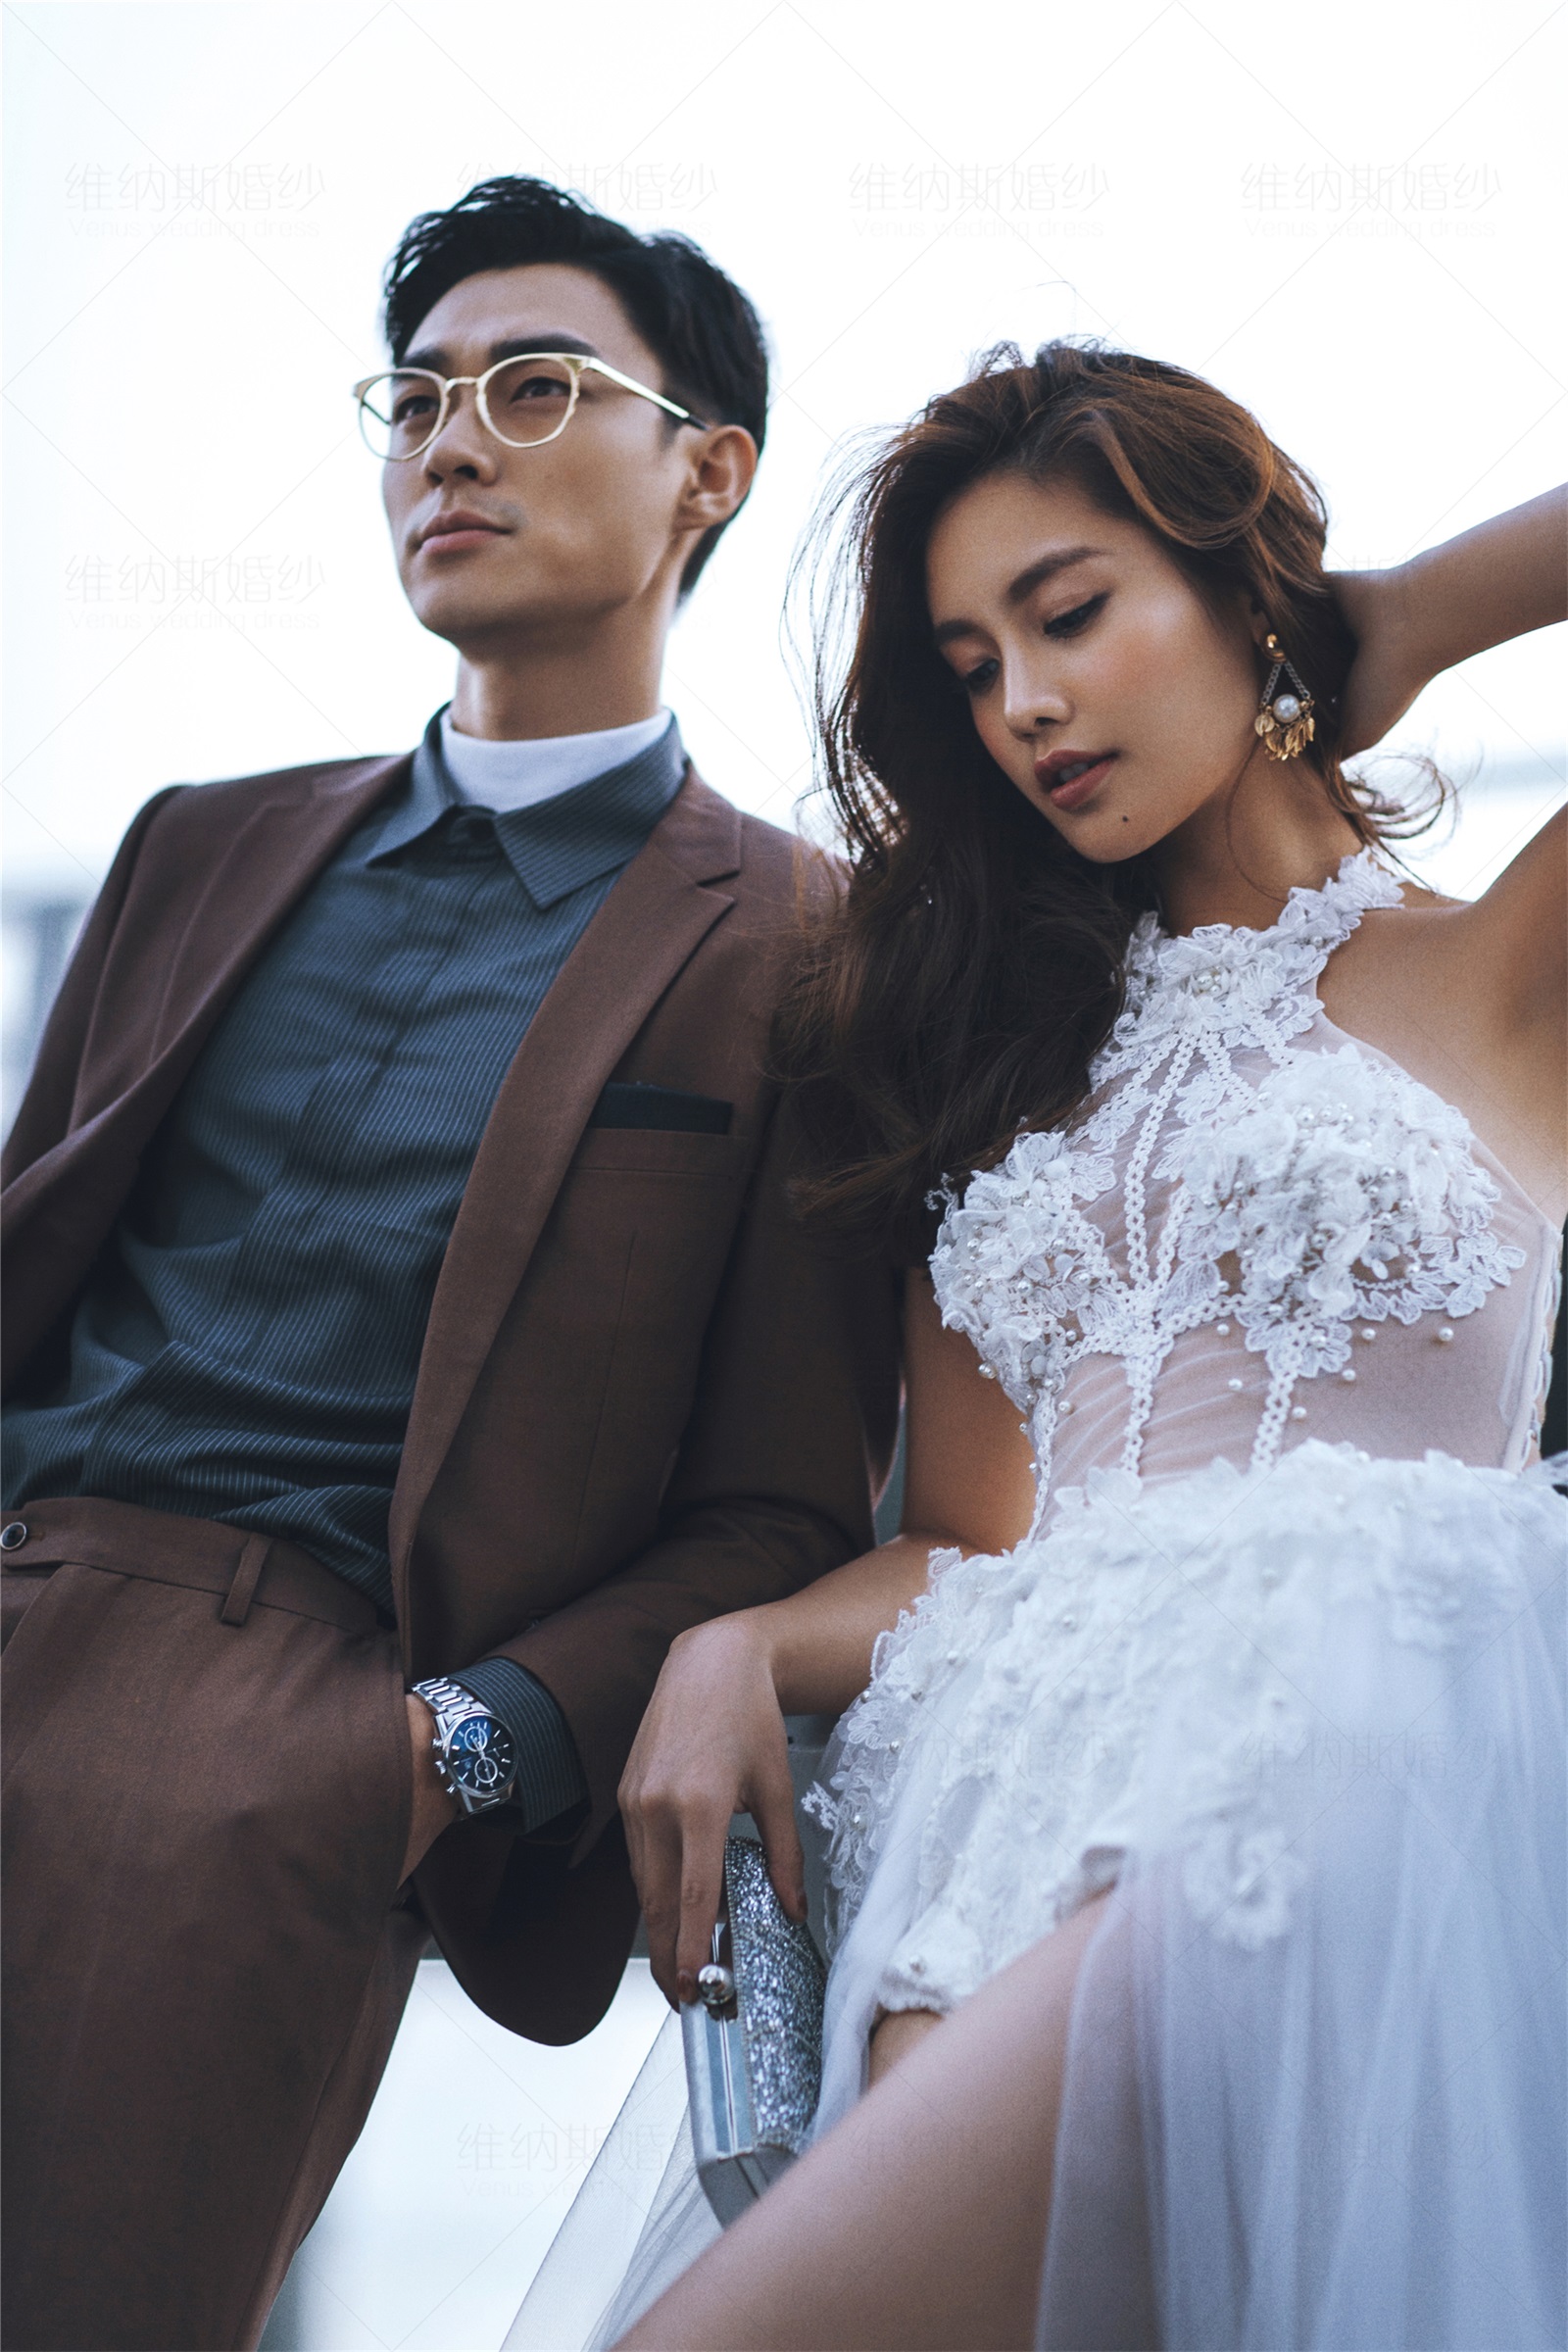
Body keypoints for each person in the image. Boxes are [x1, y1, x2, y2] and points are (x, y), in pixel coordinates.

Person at [0, 176, 901, 2352]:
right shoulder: (198, 841)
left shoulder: (805, 952)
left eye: (534, 387)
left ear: (706, 471)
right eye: (411, 401)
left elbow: (776, 1508)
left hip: (265, 1748)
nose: (450, 444)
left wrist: (447, 1757)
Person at [593, 346, 1566, 2349]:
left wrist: (1399, 618)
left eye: (1069, 612)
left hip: (1332, 1799)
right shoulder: (1000, 1061)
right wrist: (737, 1648)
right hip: (981, 1812)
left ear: (1240, 591)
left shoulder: (1503, 971)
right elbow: (971, 1540)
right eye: (971, 667)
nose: (1023, 703)